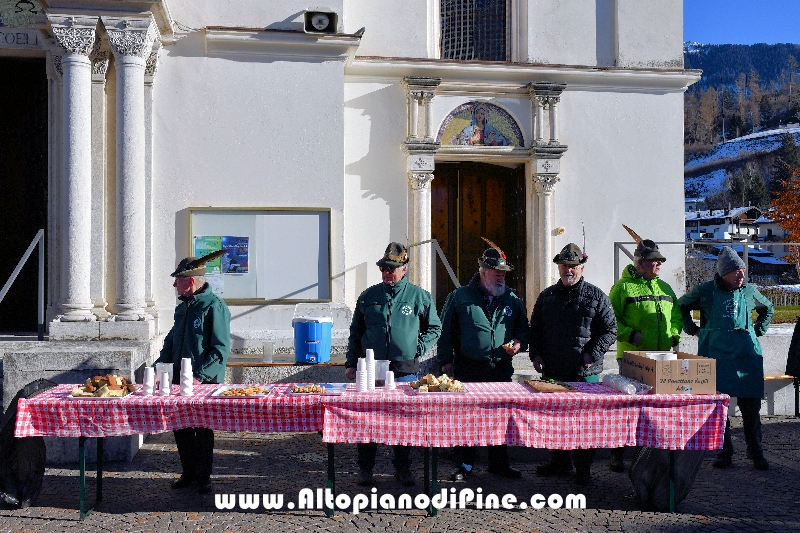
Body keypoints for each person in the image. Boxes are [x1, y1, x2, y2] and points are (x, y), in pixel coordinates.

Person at [344, 242, 442, 487]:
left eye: (392, 268)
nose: (387, 272)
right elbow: (356, 332)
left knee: (403, 421)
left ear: (404, 269)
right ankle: (365, 469)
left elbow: (435, 327)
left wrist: (417, 348)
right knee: (367, 421)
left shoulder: (419, 296)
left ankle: (403, 468)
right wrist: (350, 363)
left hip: (404, 369)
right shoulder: (368, 296)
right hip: (371, 368)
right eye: (384, 268)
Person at [438, 244, 528, 481]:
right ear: (482, 271)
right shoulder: (459, 297)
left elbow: (523, 329)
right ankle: (464, 465)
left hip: (500, 368)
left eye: (503, 273)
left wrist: (519, 342)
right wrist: (446, 361)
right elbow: (446, 332)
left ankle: (499, 464)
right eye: (496, 272)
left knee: (500, 417)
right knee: (467, 418)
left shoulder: (511, 298)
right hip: (469, 367)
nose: (500, 276)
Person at [678, 246, 774, 470]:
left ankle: (756, 451)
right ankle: (724, 451)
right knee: (719, 407)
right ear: (723, 274)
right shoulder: (706, 291)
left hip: (746, 358)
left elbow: (768, 308)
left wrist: (757, 330)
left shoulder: (749, 291)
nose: (741, 275)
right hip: (716, 357)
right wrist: (693, 329)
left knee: (751, 407)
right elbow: (681, 305)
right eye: (736, 271)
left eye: (742, 270)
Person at [530, 243, 617, 486]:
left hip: (584, 372)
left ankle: (583, 468)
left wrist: (592, 352)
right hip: (554, 370)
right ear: (558, 267)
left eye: (573, 266)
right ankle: (559, 462)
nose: (568, 270)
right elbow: (535, 329)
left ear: (581, 267)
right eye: (564, 266)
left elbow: (611, 330)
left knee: (584, 421)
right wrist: (535, 354)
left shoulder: (596, 296)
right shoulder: (547, 296)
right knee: (556, 418)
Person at [155, 253, 231, 494]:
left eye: (177, 280)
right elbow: (171, 341)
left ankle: (203, 476)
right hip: (179, 379)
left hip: (203, 382)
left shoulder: (213, 305)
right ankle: (188, 472)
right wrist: (158, 367)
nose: (174, 285)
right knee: (181, 426)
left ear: (189, 281)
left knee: (202, 428)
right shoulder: (183, 308)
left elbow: (220, 348)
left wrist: (201, 376)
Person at [607, 238, 682, 472]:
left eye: (659, 260)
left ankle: (644, 454)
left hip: (660, 358)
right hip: (632, 358)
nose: (658, 264)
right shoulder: (622, 288)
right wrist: (629, 334)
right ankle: (617, 455)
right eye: (653, 261)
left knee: (652, 410)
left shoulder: (666, 288)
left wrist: (674, 334)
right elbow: (610, 320)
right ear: (639, 263)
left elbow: (676, 316)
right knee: (627, 407)